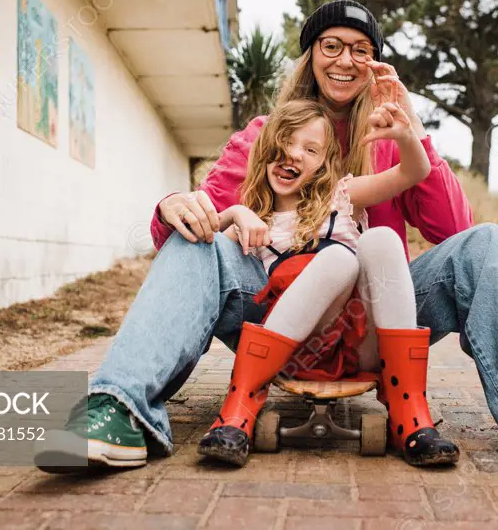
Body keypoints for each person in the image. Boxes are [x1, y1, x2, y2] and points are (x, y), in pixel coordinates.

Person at [35, 0, 498, 473]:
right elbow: (206, 210)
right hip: (276, 308)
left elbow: (452, 233)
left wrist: (415, 135)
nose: (346, 57)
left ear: (373, 60)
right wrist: (177, 203)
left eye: (359, 47)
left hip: (378, 320)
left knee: (485, 243)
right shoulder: (267, 131)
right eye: (331, 45)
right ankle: (115, 406)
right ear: (312, 56)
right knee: (194, 239)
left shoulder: (391, 143)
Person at [197, 98, 460, 467]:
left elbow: (412, 172)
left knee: (380, 239)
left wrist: (405, 134)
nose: (294, 154)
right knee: (336, 258)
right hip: (298, 348)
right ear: (265, 147)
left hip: (359, 346)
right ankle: (240, 407)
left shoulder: (341, 197)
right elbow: (208, 255)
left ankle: (409, 413)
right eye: (285, 142)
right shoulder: (257, 221)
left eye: (310, 149)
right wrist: (237, 213)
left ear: (325, 164)